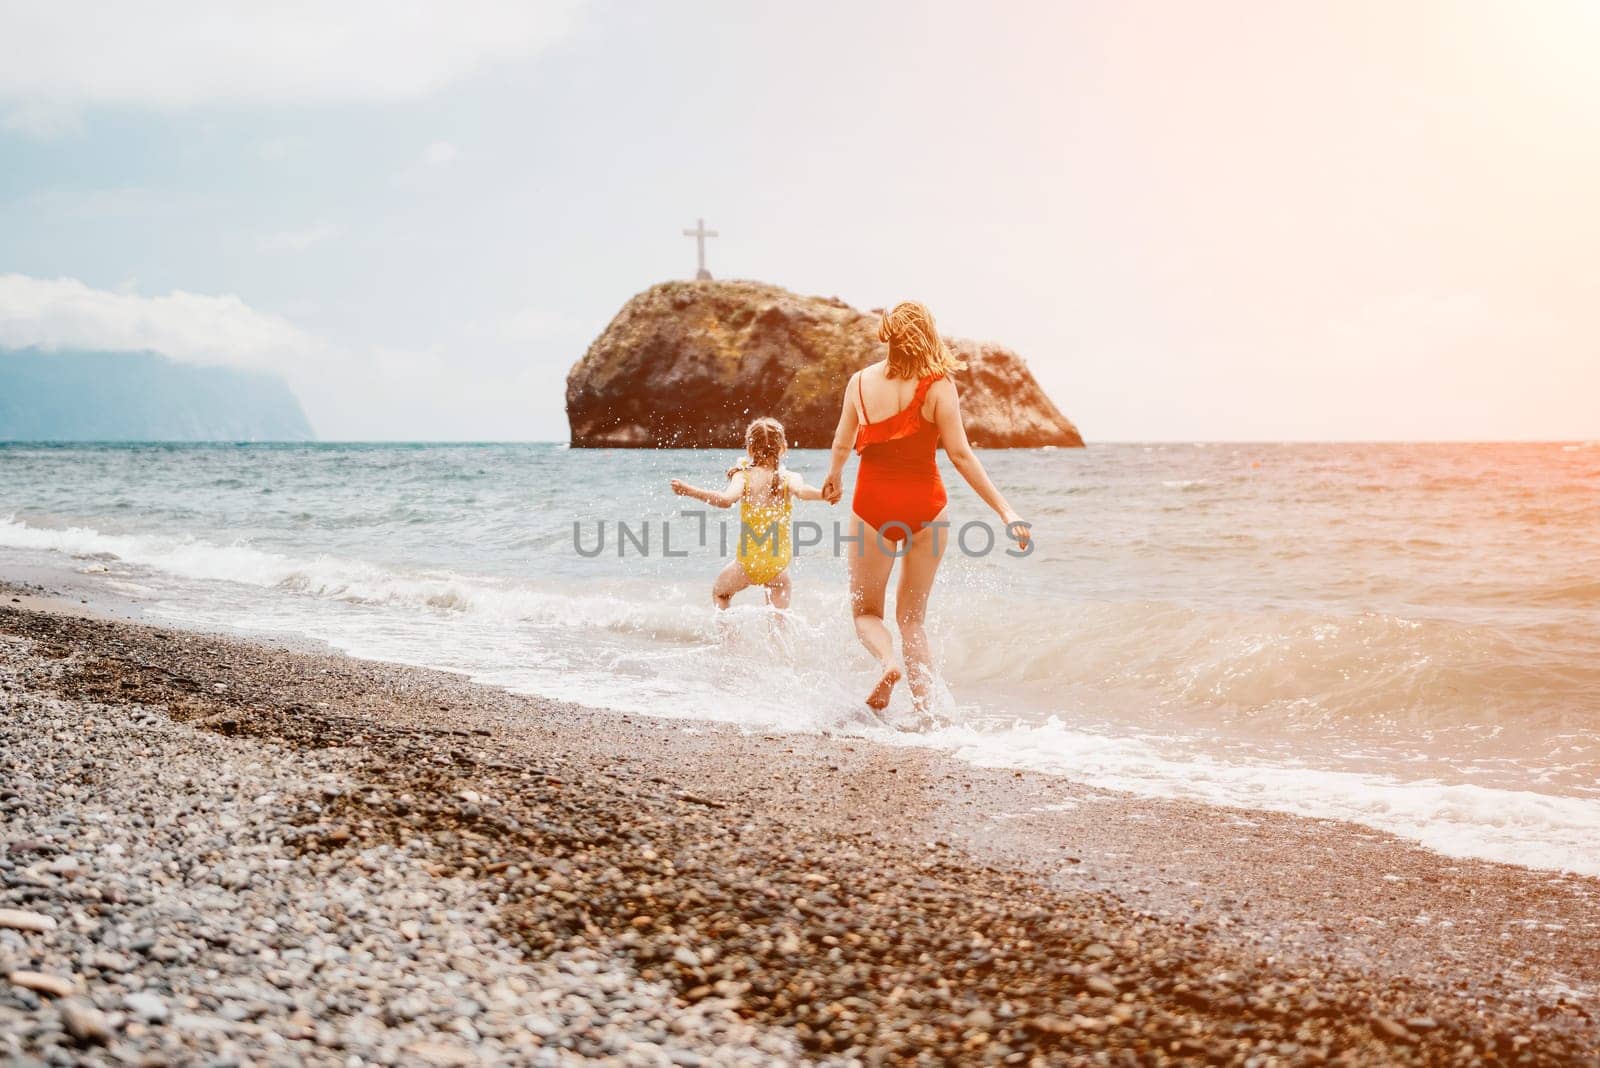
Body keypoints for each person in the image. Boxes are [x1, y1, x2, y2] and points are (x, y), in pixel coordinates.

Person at [820, 301, 1031, 714]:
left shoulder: (859, 383)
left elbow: (842, 441)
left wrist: (835, 475)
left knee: (866, 612)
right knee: (912, 620)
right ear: (927, 333)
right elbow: (961, 455)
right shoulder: (940, 387)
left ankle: (887, 663)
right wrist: (1007, 512)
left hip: (872, 506)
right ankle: (926, 714)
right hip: (926, 508)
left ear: (887, 333)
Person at [671, 417, 829, 610]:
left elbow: (725, 500)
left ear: (750, 448)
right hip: (777, 565)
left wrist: (690, 491)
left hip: (748, 563)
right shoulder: (788, 477)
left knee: (720, 594)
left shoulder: (744, 476)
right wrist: (824, 495)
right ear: (783, 447)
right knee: (779, 622)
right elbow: (803, 491)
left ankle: (730, 640)